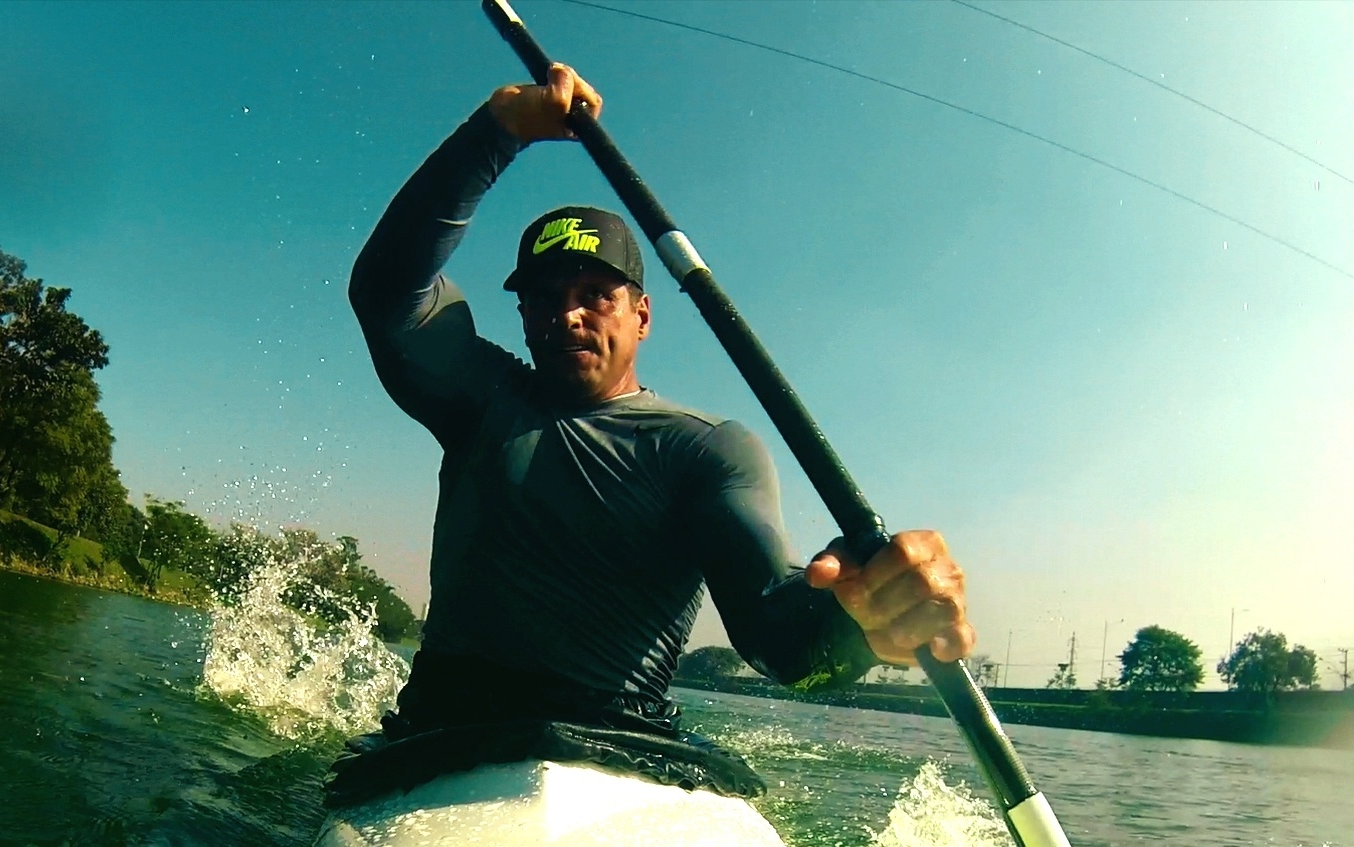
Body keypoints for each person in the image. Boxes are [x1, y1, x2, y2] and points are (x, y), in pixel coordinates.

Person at [330, 65, 974, 803]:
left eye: (593, 295)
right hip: (440, 730)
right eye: (543, 298)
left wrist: (859, 621)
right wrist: (497, 130)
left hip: (624, 744)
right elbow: (385, 289)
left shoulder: (705, 450)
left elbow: (782, 645)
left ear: (642, 315)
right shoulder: (482, 398)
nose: (566, 315)